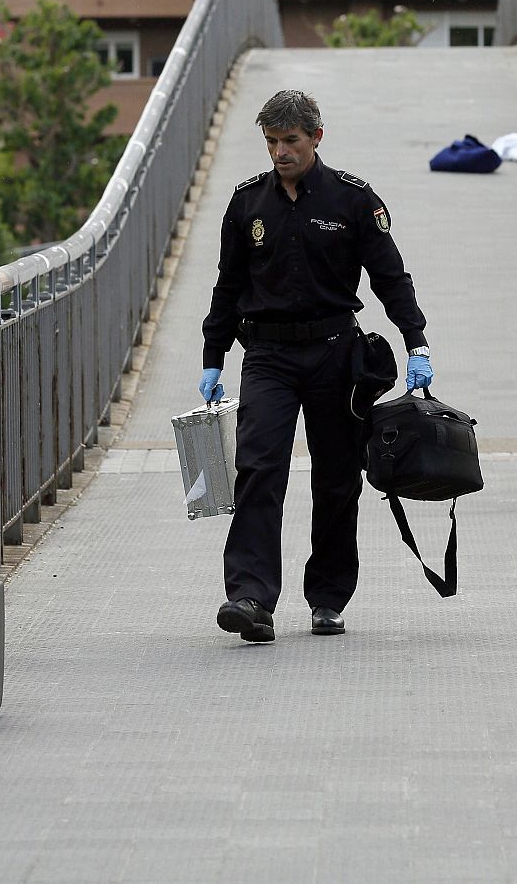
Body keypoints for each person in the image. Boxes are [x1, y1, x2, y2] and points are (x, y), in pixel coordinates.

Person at [198, 89, 434, 643]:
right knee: (259, 469)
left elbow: (390, 276)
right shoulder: (248, 203)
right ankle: (251, 597)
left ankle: (327, 597)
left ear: (316, 137)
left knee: (336, 478)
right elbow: (228, 285)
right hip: (268, 356)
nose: (280, 152)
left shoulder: (352, 199)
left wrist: (416, 342)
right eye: (272, 142)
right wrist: (213, 356)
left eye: (291, 141)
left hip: (334, 353)